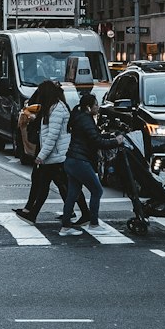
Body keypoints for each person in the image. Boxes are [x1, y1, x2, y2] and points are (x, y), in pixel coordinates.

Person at [13, 81, 88, 225]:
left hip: (57, 156)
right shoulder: (52, 108)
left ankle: (85, 213)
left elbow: (52, 137)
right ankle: (33, 213)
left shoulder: (57, 109)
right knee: (46, 185)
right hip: (54, 156)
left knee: (66, 186)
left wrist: (41, 156)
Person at [59, 91, 122, 236]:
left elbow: (92, 137)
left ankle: (65, 227)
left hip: (72, 160)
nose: (98, 107)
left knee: (72, 194)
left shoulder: (79, 117)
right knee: (97, 190)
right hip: (80, 161)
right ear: (89, 107)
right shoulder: (86, 120)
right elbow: (96, 141)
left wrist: (107, 136)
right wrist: (115, 141)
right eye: (96, 105)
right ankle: (93, 224)